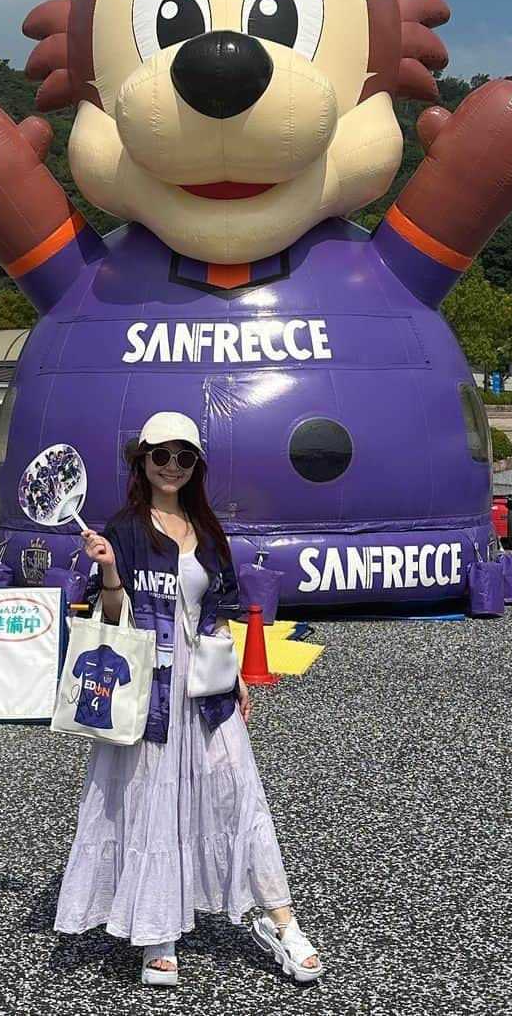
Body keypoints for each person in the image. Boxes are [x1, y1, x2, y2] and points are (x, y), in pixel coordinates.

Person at [53, 411, 323, 986]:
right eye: (161, 456)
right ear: (142, 461)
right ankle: (157, 933)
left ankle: (282, 920)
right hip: (146, 692)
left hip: (206, 691)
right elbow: (112, 622)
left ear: (196, 466)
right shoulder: (123, 528)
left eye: (184, 457)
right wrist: (108, 573)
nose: (171, 466)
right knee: (151, 803)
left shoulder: (206, 529)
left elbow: (214, 617)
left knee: (238, 795)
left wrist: (236, 674)